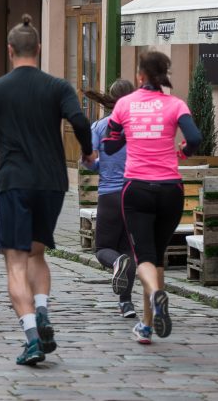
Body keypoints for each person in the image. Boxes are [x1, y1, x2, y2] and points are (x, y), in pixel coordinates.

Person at [0, 15, 93, 366]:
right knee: (38, 254)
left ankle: (31, 338)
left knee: (15, 261)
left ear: (10, 50)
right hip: (52, 182)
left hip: (14, 181)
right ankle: (42, 311)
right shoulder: (58, 87)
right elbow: (81, 121)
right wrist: (87, 151)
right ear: (38, 50)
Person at [104, 51, 202, 345]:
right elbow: (195, 138)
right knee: (156, 256)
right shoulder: (176, 105)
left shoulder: (124, 104)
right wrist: (181, 153)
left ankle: (158, 298)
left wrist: (130, 135)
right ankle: (146, 326)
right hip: (171, 189)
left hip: (137, 189)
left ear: (140, 76)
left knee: (143, 256)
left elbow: (109, 146)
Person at [82, 79, 138, 319]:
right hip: (137, 194)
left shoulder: (100, 127)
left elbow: (90, 160)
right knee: (129, 249)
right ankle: (126, 304)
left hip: (111, 195)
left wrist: (96, 165)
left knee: (104, 248)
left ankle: (116, 264)